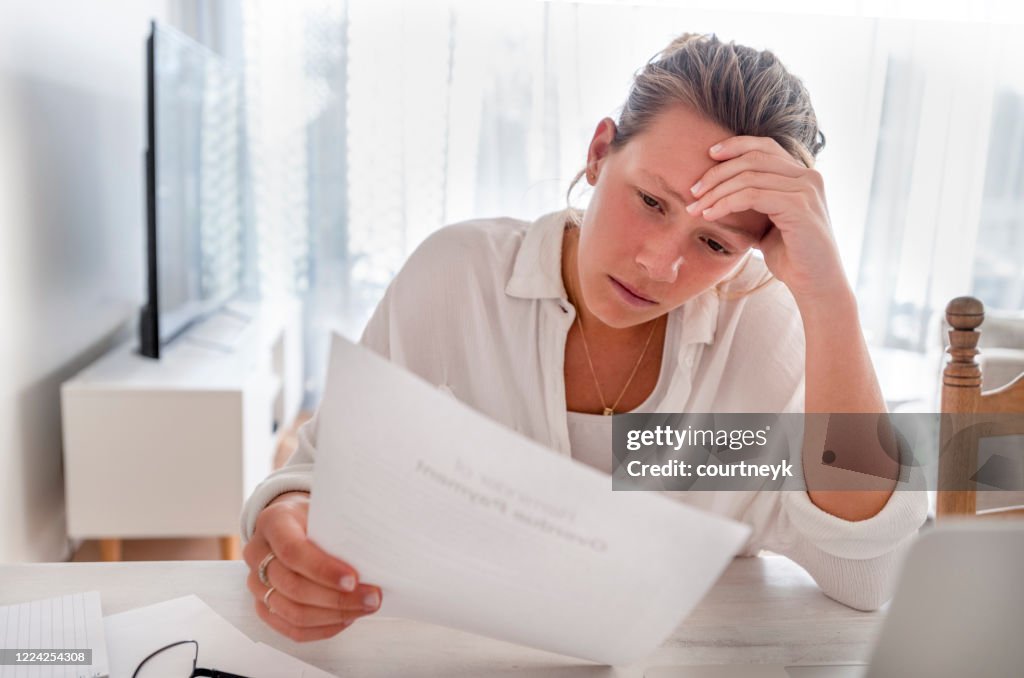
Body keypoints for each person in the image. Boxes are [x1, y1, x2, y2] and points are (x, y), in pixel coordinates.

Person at [240, 33, 927, 643]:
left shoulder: (762, 334)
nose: (660, 265)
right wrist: (288, 523)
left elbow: (869, 573)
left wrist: (829, 298)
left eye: (715, 242)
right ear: (600, 153)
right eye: (652, 201)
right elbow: (322, 478)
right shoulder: (456, 278)